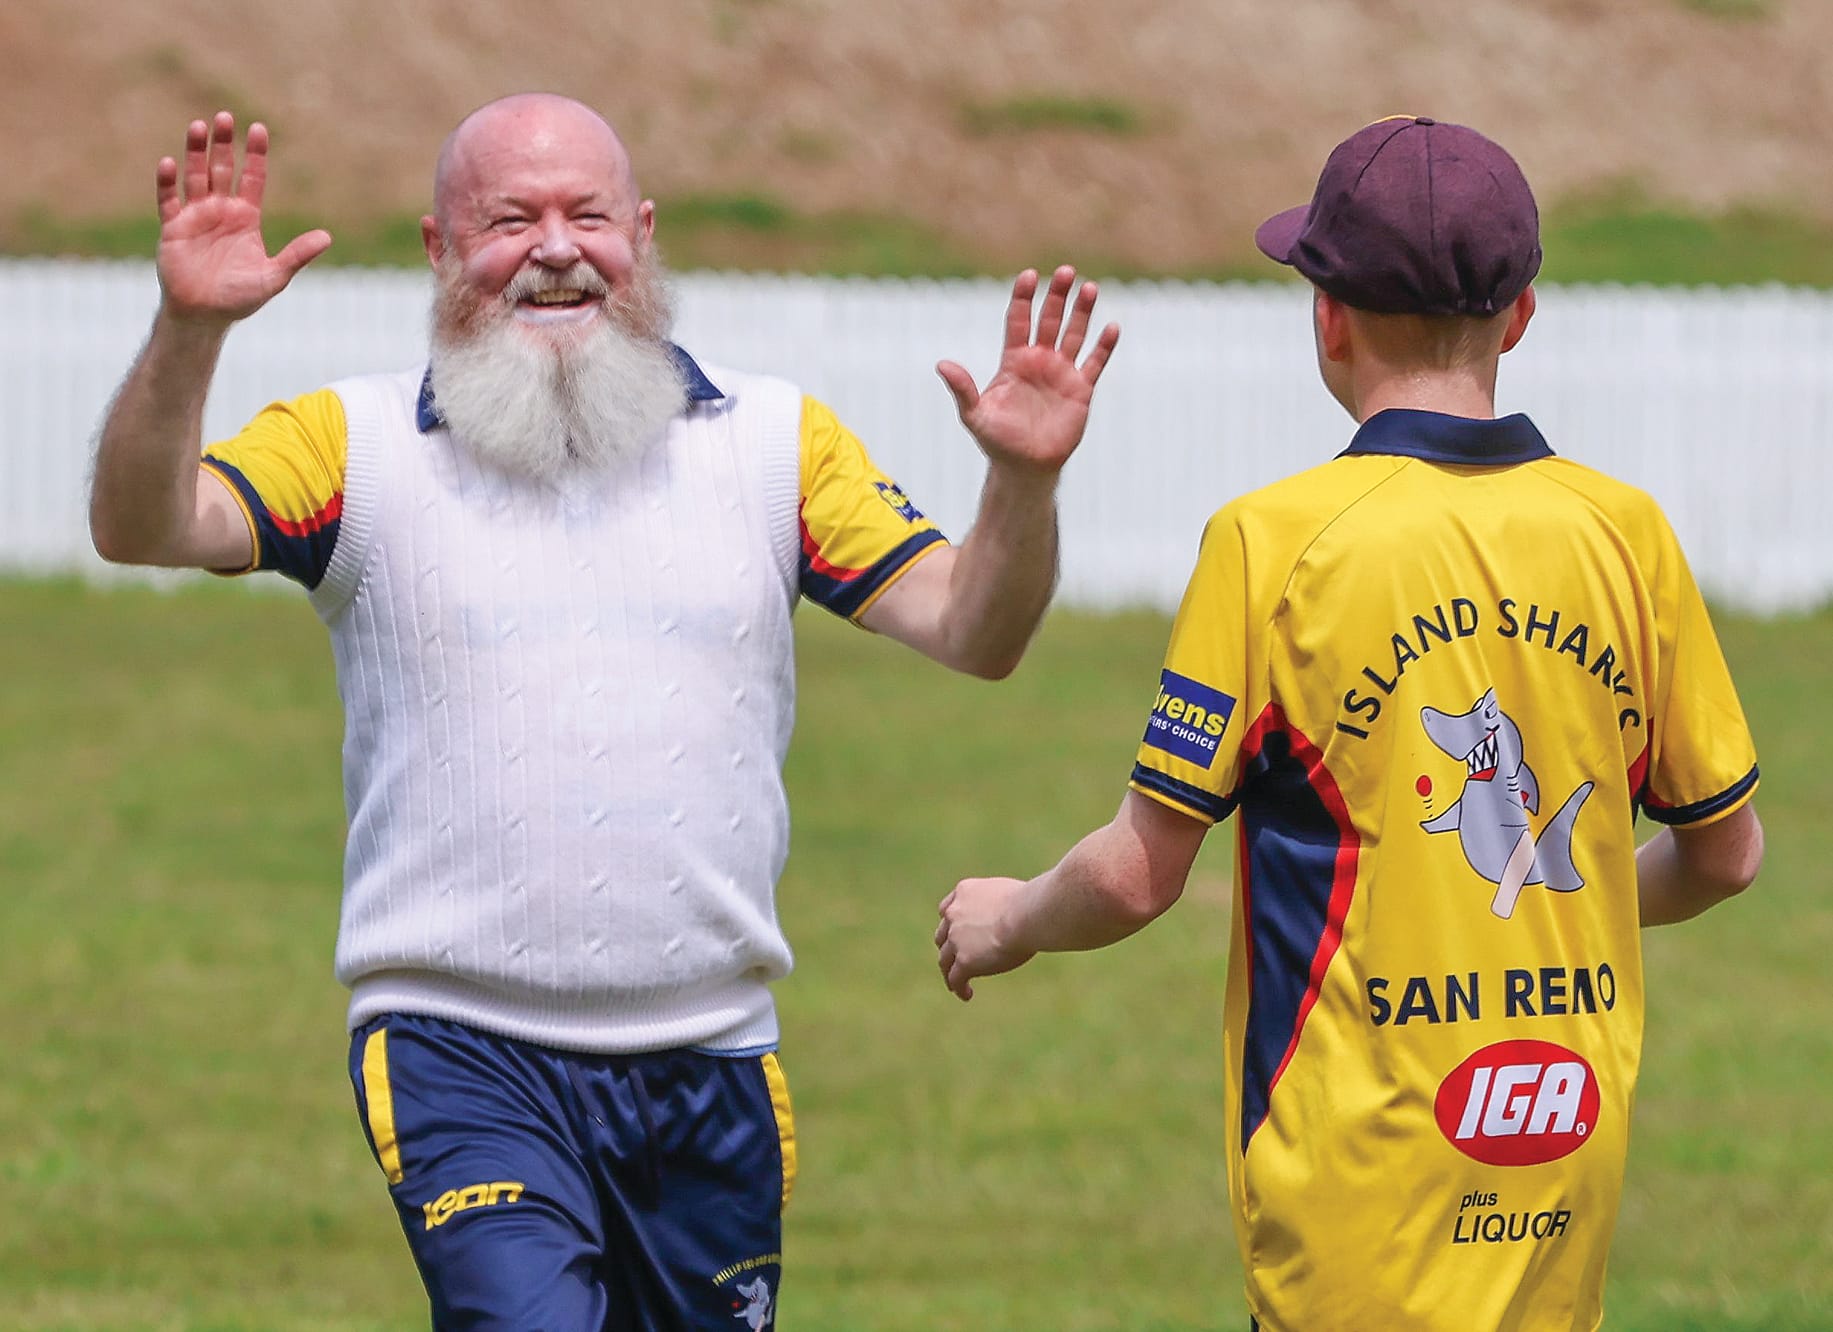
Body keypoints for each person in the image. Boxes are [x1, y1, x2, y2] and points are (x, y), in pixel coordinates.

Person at [89, 94, 1119, 1330]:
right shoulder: (352, 445)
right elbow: (143, 526)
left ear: (643, 231)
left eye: (587, 215)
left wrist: (1022, 480)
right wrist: (186, 332)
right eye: (508, 220)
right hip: (462, 1053)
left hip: (712, 1065)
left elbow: (978, 629)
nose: (556, 248)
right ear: (436, 248)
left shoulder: (775, 442)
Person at [935, 115, 1764, 1332]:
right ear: (1521, 314)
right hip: (1556, 1172)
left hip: (1357, 1208)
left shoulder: (1271, 543)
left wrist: (1008, 918)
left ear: (1327, 315)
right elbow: (1726, 852)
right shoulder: (1626, 535)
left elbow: (1134, 878)